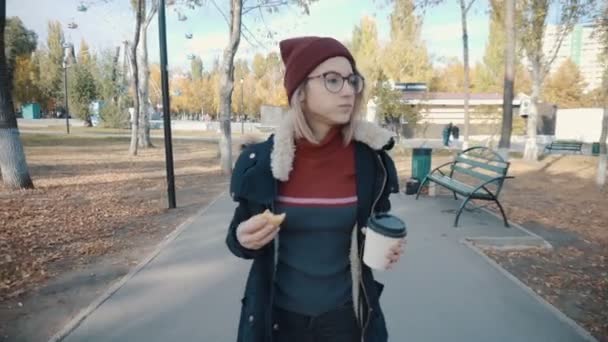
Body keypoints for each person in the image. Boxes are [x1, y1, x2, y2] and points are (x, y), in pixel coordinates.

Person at [226, 36, 406, 342]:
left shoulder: (370, 162)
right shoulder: (262, 163)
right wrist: (243, 238)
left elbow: (378, 226)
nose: (348, 90)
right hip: (277, 321)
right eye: (332, 80)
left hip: (346, 320)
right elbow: (237, 238)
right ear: (300, 91)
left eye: (352, 80)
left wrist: (387, 247)